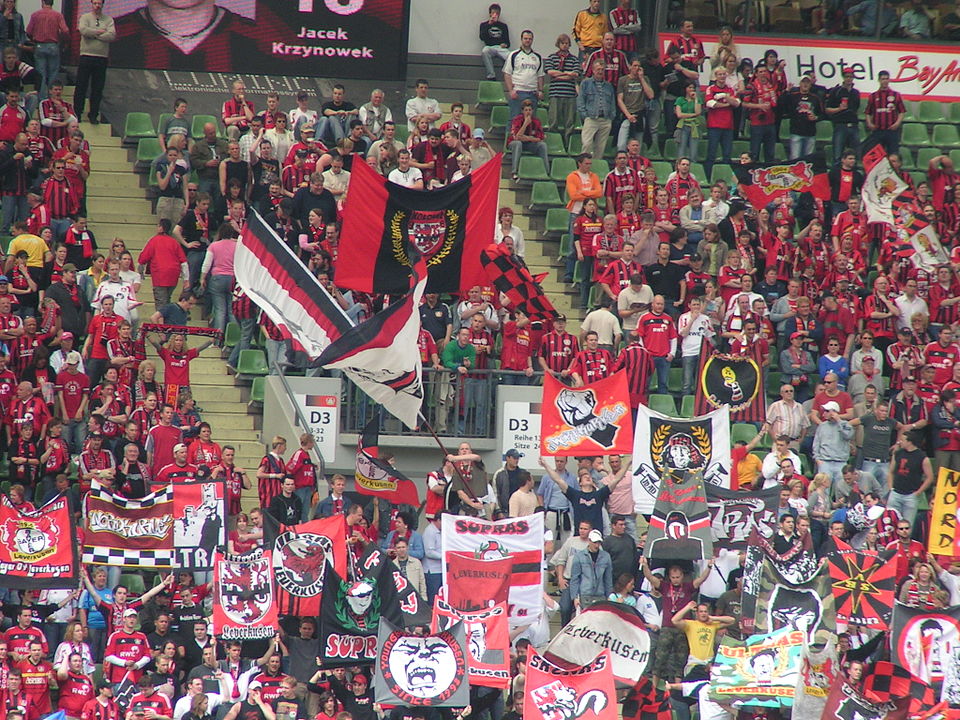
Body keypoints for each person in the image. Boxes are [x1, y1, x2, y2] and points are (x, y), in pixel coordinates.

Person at [73, 0, 115, 125]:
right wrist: (100, 32)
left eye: (99, 3)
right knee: (81, 86)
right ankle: (77, 113)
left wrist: (93, 34)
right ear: (91, 4)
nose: (97, 6)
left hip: (101, 58)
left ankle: (93, 115)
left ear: (103, 5)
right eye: (95, 3)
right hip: (86, 56)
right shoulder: (85, 17)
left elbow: (112, 35)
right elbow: (83, 31)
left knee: (97, 88)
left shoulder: (108, 20)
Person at [888, 429, 933, 526]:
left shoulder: (922, 457)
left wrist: (918, 492)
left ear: (909, 442)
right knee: (890, 522)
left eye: (903, 440)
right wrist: (891, 488)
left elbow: (929, 477)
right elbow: (891, 471)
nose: (900, 442)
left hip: (911, 495)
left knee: (908, 525)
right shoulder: (898, 453)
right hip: (896, 493)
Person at [577, 60, 615, 162]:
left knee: (600, 148)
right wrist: (585, 115)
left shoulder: (609, 86)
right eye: (598, 69)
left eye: (602, 69)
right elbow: (580, 100)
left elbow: (612, 103)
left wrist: (611, 117)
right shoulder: (586, 83)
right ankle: (583, 168)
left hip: (605, 120)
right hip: (591, 118)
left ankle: (596, 169)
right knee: (587, 144)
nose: (600, 71)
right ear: (593, 70)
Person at [568, 529, 612, 613]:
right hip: (585, 594)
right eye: (594, 542)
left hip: (600, 594)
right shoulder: (579, 556)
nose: (597, 545)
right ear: (589, 541)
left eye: (599, 542)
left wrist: (609, 595)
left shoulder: (606, 556)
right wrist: (575, 597)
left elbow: (608, 579)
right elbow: (575, 578)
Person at [864, 70, 906, 154]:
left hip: (892, 131)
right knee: (877, 156)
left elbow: (902, 111)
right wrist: (869, 123)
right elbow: (868, 112)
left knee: (893, 155)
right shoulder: (873, 96)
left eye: (887, 79)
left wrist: (897, 123)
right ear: (879, 80)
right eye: (883, 79)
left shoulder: (896, 95)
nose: (885, 81)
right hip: (878, 131)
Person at [507, 99, 548, 182]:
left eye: (530, 110)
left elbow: (540, 138)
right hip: (514, 143)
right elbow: (517, 137)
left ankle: (546, 172)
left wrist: (527, 138)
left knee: (542, 145)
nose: (528, 112)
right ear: (522, 111)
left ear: (532, 111)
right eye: (526, 110)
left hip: (530, 144)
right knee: (518, 144)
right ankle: (514, 172)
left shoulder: (536, 121)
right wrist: (525, 124)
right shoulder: (517, 120)